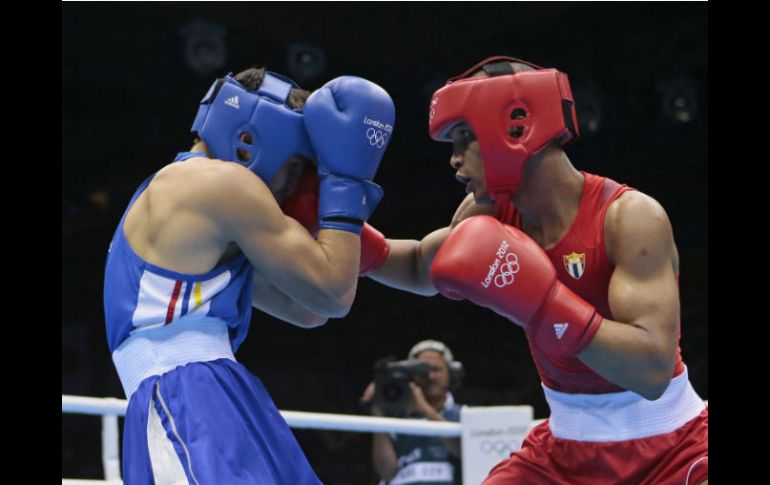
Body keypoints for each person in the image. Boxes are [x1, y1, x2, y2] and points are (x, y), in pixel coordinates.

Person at [355, 56, 708, 484]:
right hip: (561, 451)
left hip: (672, 446)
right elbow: (415, 265)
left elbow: (651, 371)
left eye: (465, 138)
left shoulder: (629, 218)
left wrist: (546, 305)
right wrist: (338, 226)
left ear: (515, 128)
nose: (454, 160)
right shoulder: (488, 212)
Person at [103, 66, 395, 484]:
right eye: (294, 168)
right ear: (248, 141)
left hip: (216, 392)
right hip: (184, 399)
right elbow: (333, 293)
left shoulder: (191, 209)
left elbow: (308, 310)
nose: (291, 188)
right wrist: (345, 181)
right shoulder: (219, 183)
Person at [360, 340, 464, 485]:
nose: (430, 376)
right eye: (424, 371)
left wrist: (425, 410)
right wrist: (378, 412)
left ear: (451, 373)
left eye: (437, 370)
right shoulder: (395, 417)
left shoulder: (463, 415)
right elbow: (387, 472)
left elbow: (464, 452)